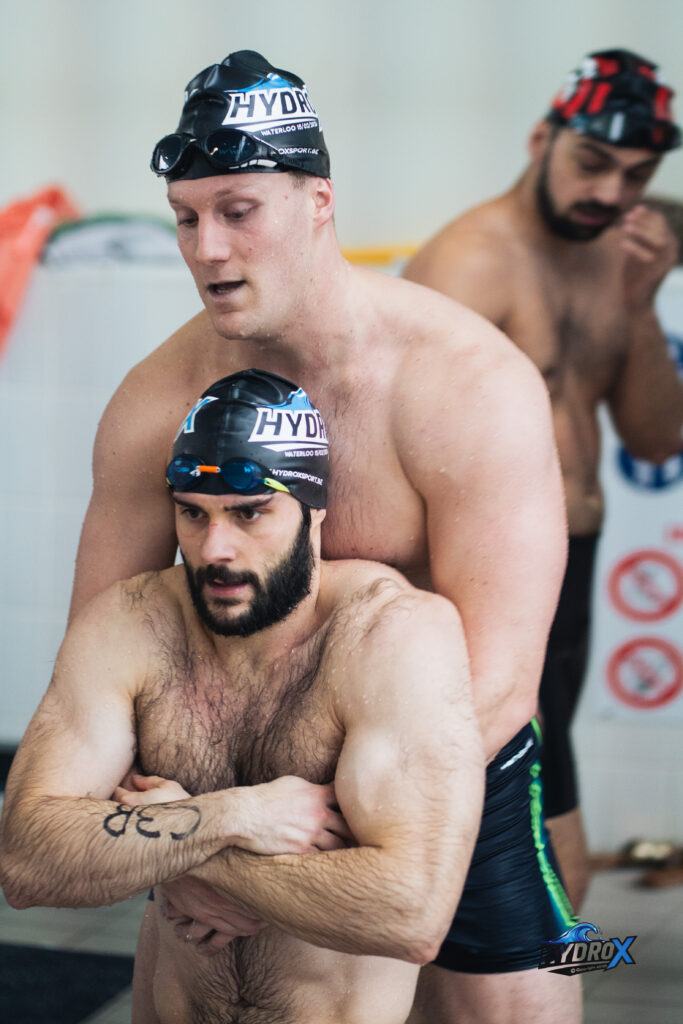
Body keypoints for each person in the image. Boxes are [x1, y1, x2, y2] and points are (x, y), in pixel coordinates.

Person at [69, 51, 579, 1022]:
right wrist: (193, 838)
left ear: (318, 202)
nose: (208, 249)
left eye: (238, 211)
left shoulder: (463, 383)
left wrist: (304, 846)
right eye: (186, 218)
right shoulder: (156, 401)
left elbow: (500, 681)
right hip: (232, 780)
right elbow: (101, 651)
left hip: (443, 770)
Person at [0, 371, 485, 1024]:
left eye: (249, 512)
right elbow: (24, 861)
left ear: (314, 509)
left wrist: (188, 857)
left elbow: (411, 913)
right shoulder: (131, 624)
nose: (214, 549)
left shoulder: (391, 636)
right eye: (192, 513)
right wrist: (233, 816)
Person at [403, 48, 683, 913]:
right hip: (486, 577)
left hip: (569, 565)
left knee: (511, 847)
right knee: (549, 851)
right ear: (540, 139)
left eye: (634, 176)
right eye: (591, 162)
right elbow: (394, 445)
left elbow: (656, 436)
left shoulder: (613, 257)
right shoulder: (471, 262)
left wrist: (640, 302)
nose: (609, 192)